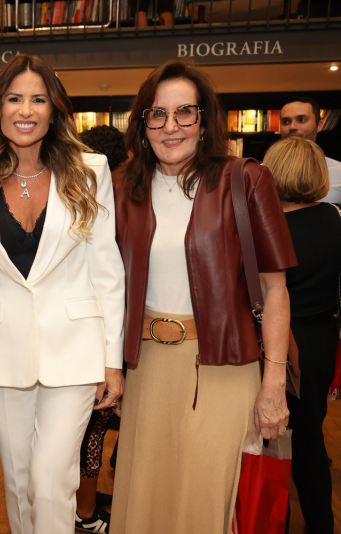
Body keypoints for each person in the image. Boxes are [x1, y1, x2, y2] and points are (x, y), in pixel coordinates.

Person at [110, 59, 297, 534]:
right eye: (157, 114)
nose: (171, 127)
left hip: (224, 367)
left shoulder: (246, 180)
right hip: (146, 368)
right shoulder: (122, 187)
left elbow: (275, 289)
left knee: (208, 503)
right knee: (148, 501)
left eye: (184, 113)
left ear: (205, 119)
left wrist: (273, 383)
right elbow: (105, 284)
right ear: (143, 124)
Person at [0, 54, 126, 534]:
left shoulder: (90, 171)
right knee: (19, 481)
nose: (25, 109)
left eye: (38, 98)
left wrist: (112, 361)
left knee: (53, 481)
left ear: (54, 110)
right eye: (14, 98)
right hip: (2, 352)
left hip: (76, 350)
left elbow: (107, 271)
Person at [263, 137, 341, 534]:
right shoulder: (334, 218)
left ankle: (271, 520)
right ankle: (321, 525)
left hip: (277, 343)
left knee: (270, 440)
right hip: (323, 339)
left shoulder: (268, 227)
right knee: (311, 437)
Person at [73, 124, 130, 533]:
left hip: (81, 335)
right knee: (92, 435)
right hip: (102, 339)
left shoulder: (74, 194)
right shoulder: (123, 199)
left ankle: (77, 511)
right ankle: (85, 514)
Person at [280, 96, 341, 203]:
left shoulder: (339, 172)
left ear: (319, 125)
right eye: (286, 122)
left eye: (301, 120)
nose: (292, 126)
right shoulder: (259, 173)